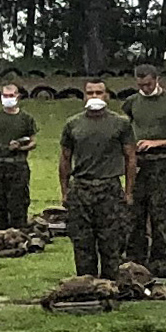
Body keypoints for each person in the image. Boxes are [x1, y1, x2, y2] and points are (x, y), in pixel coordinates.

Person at [58, 80, 136, 278]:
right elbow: (65, 158)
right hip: (81, 188)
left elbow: (130, 158)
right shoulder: (72, 124)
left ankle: (111, 285)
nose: (94, 96)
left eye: (99, 92)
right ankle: (86, 285)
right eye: (90, 92)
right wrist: (65, 191)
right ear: (84, 96)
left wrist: (128, 192)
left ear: (107, 95)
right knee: (82, 244)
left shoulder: (121, 123)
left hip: (109, 188)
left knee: (111, 243)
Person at [124, 64, 166, 269]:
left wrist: (157, 143)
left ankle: (159, 261)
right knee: (135, 213)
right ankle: (135, 261)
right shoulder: (131, 103)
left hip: (162, 163)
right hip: (138, 165)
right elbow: (126, 131)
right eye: (141, 84)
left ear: (157, 80)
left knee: (160, 214)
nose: (145, 88)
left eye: (148, 84)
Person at [0, 82, 38, 232]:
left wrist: (20, 147)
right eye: (5, 96)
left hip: (18, 164)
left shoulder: (26, 118)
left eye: (11, 95)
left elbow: (33, 142)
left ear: (18, 97)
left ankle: (19, 233)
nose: (7, 99)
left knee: (18, 201)